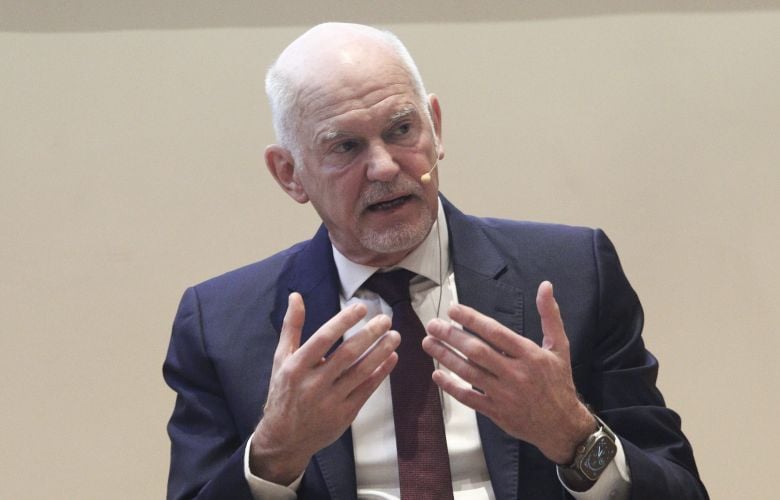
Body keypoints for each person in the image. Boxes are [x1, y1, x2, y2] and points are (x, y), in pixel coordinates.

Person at [163, 23, 708, 500]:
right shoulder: (220, 326)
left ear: (436, 127)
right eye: (346, 146)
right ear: (289, 174)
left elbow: (681, 490)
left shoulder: (573, 274)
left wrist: (572, 434)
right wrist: (274, 453)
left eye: (401, 129)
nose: (383, 167)